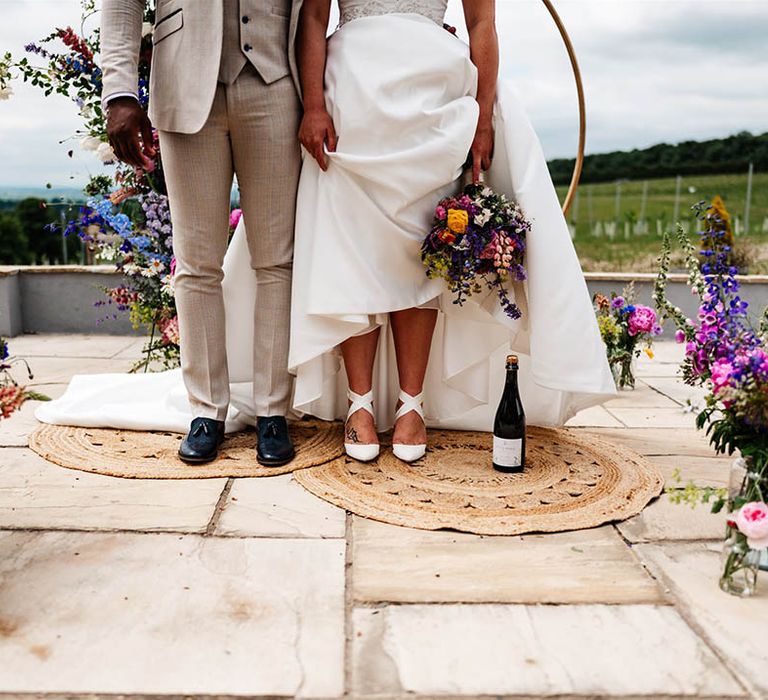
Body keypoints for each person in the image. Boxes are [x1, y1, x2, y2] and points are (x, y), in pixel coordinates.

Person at [36, 0, 615, 453]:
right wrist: (119, 92)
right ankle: (234, 409)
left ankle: (319, 409)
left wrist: (470, 104)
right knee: (235, 260)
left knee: (338, 257)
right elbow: (306, 14)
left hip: (348, 93)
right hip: (257, 92)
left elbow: (473, 21)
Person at [286, 0, 616, 462]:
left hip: (434, 102)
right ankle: (357, 402)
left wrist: (482, 120)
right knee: (352, 246)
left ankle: (411, 403)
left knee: (423, 252)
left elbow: (483, 22)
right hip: (352, 96)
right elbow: (315, 16)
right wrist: (314, 104)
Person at [97, 0, 305, 465]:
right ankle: (207, 411)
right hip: (185, 84)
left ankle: (274, 410)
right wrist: (119, 93)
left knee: (277, 260)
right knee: (196, 263)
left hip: (275, 84)